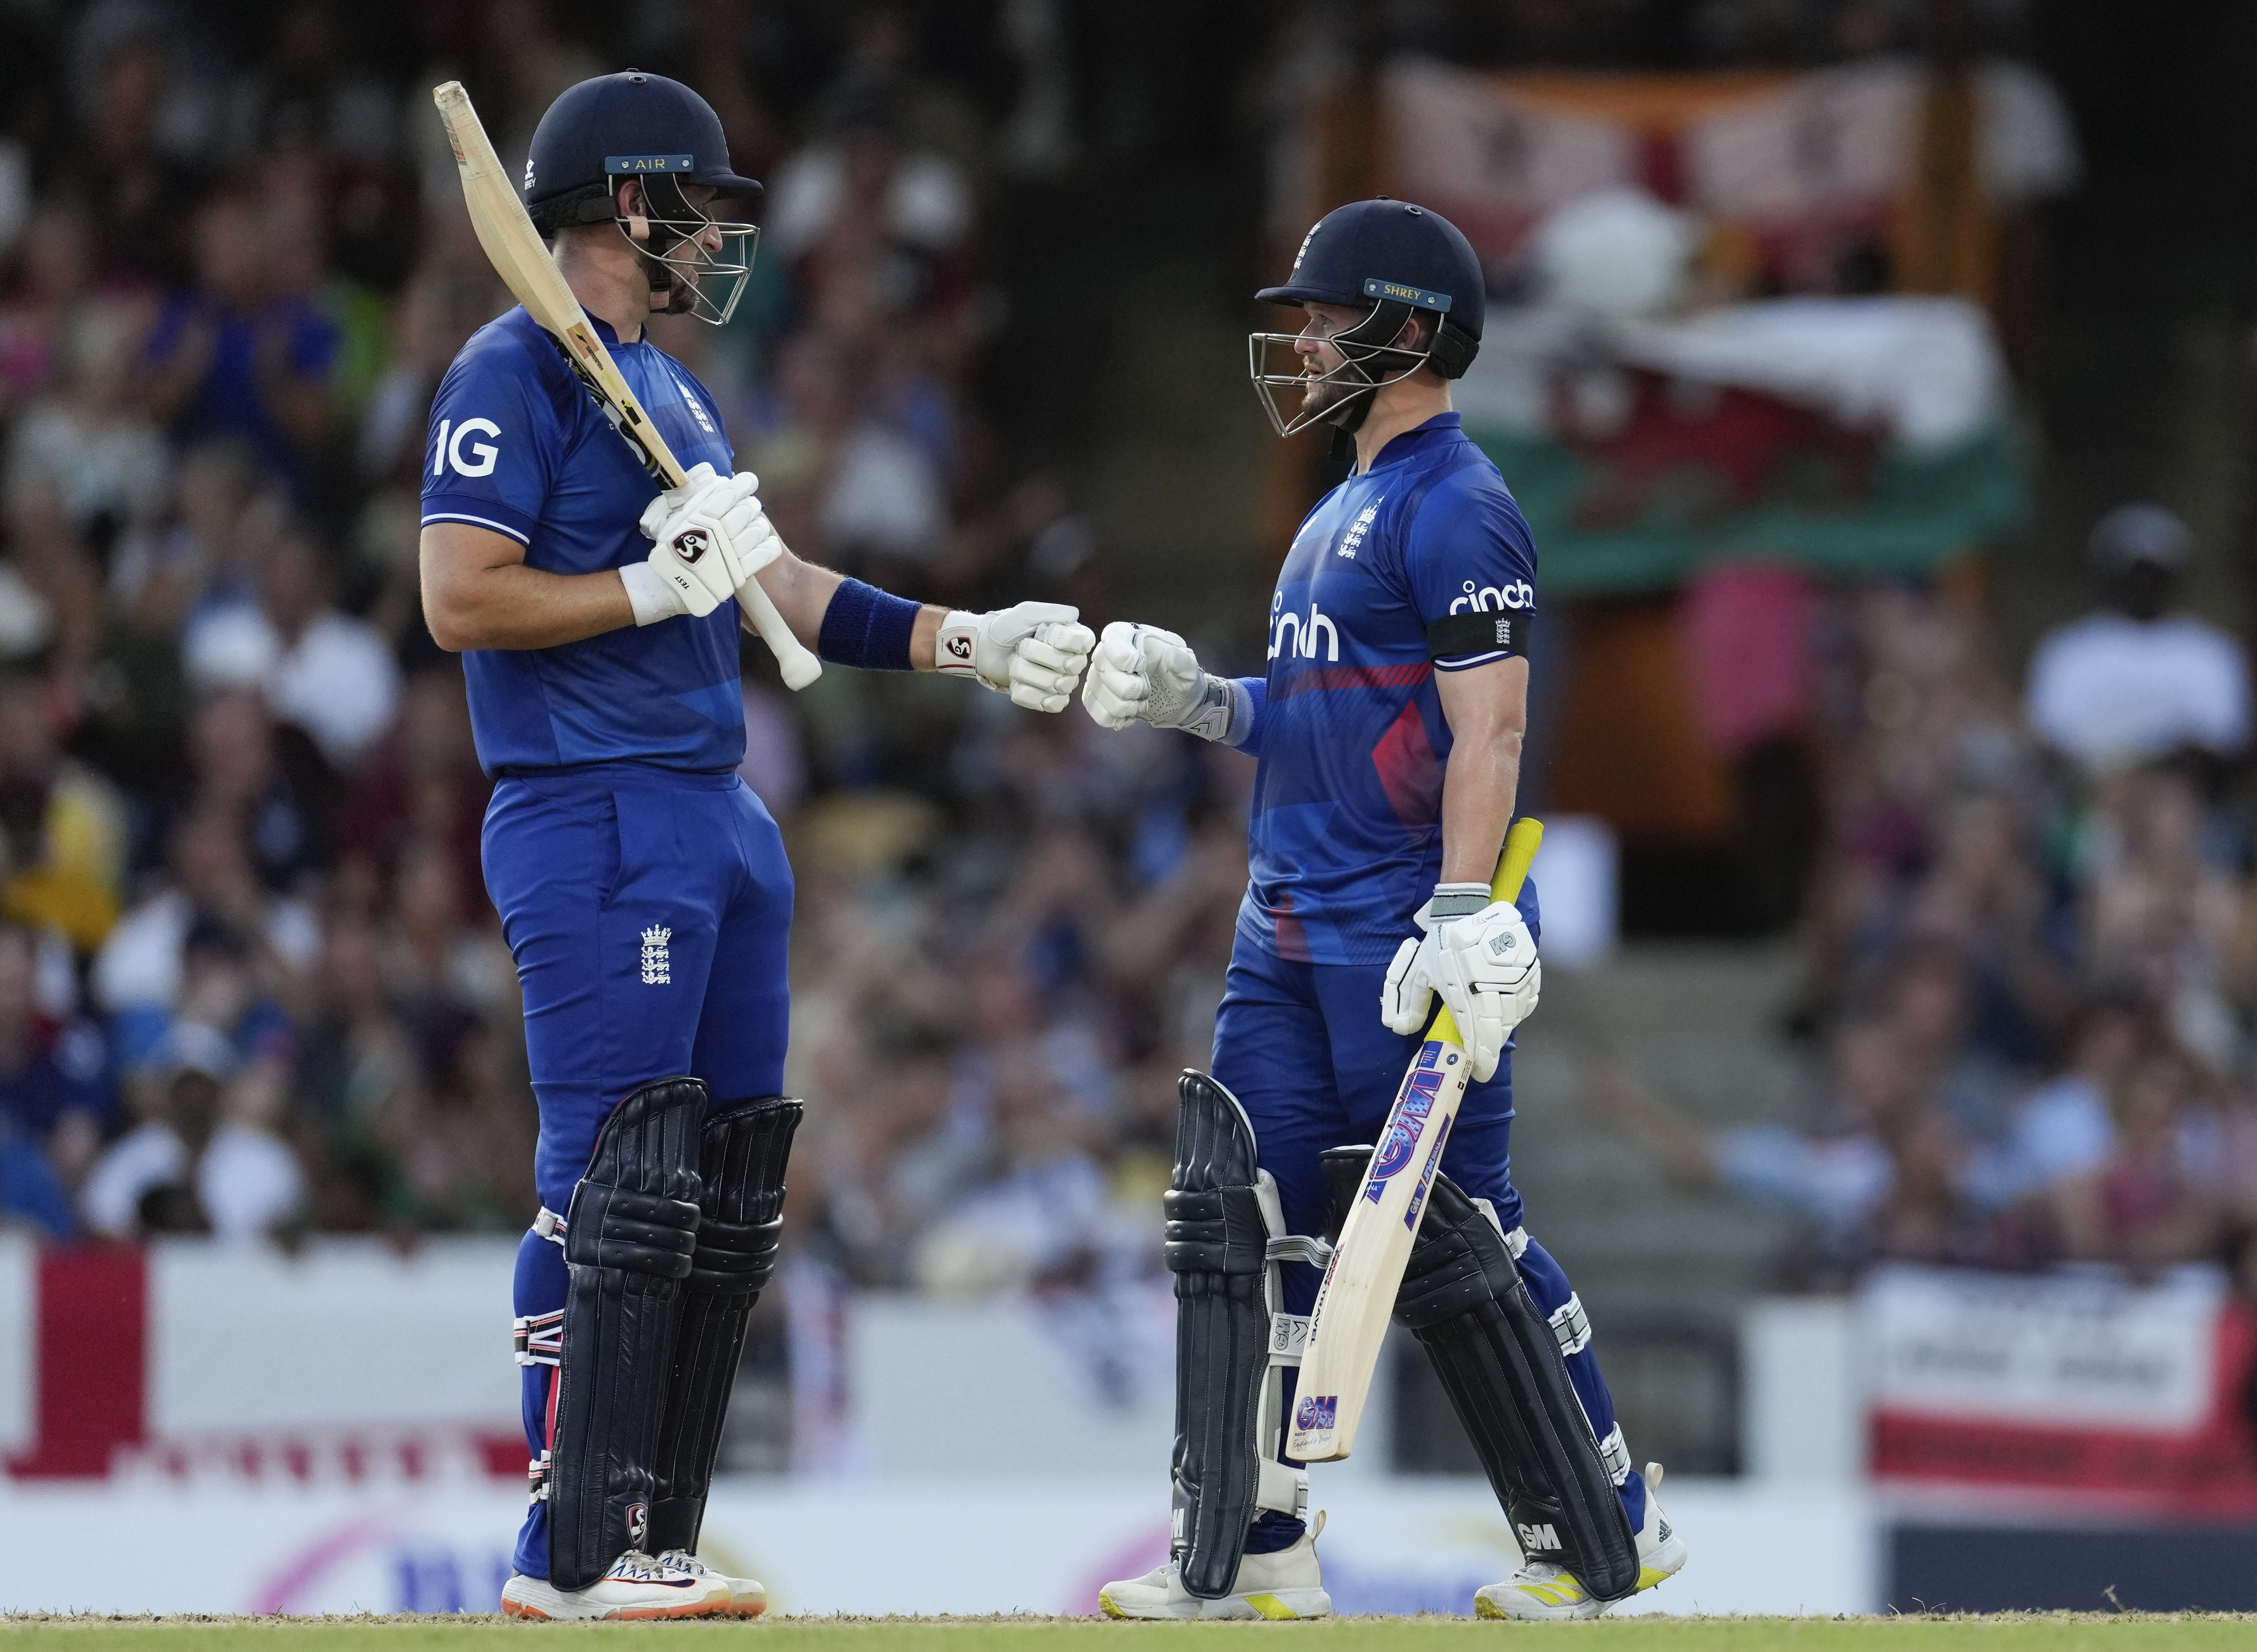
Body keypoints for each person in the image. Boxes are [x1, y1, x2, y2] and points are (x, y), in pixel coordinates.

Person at [412, 72, 1095, 1622]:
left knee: (719, 1197)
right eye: (699, 208)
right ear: (625, 207)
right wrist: (648, 594)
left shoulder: (670, 388)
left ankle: (645, 1528)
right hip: (594, 805)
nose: (720, 235)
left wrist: (967, 641)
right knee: (609, 1185)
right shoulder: (510, 370)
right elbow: (460, 598)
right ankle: (564, 1546)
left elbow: (778, 585)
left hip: (716, 808)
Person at [1077, 198, 1685, 1621]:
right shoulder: (1335, 506)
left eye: (1322, 315)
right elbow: (1314, 720)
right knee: (1247, 1220)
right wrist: (1198, 702)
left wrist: (1466, 913)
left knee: (1465, 1234)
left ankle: (1606, 1524)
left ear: (1407, 331)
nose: (1295, 338)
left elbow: (1491, 732)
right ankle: (1250, 1548)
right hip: (1282, 925)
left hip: (1398, 933)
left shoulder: (1458, 500)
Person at [2023, 504, 2250, 774]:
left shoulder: (2210, 652)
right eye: (2132, 572)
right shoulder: (2070, 649)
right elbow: (2047, 738)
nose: (2142, 584)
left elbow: (2225, 741)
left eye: (2153, 574)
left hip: (2187, 798)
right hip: (2087, 795)